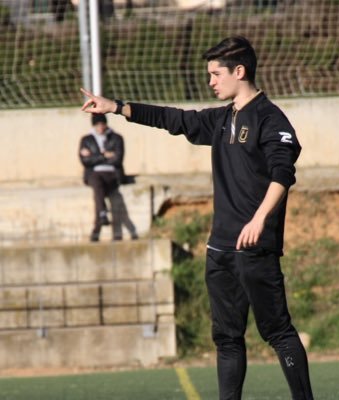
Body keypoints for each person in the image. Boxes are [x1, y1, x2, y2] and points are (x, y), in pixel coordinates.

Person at [80, 36, 313, 400]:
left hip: (254, 248)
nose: (211, 81)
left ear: (240, 71)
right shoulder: (221, 119)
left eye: (216, 74)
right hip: (219, 248)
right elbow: (172, 118)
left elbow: (282, 174)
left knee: (278, 332)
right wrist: (116, 106)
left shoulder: (271, 118)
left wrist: (259, 220)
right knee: (226, 337)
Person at [79, 113, 138, 242]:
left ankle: (98, 227)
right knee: (97, 183)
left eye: (102, 124)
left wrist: (94, 156)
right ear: (93, 125)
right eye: (97, 124)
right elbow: (85, 161)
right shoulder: (86, 139)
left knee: (98, 194)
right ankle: (108, 221)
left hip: (112, 174)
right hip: (94, 175)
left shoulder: (116, 138)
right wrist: (104, 155)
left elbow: (118, 159)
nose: (100, 127)